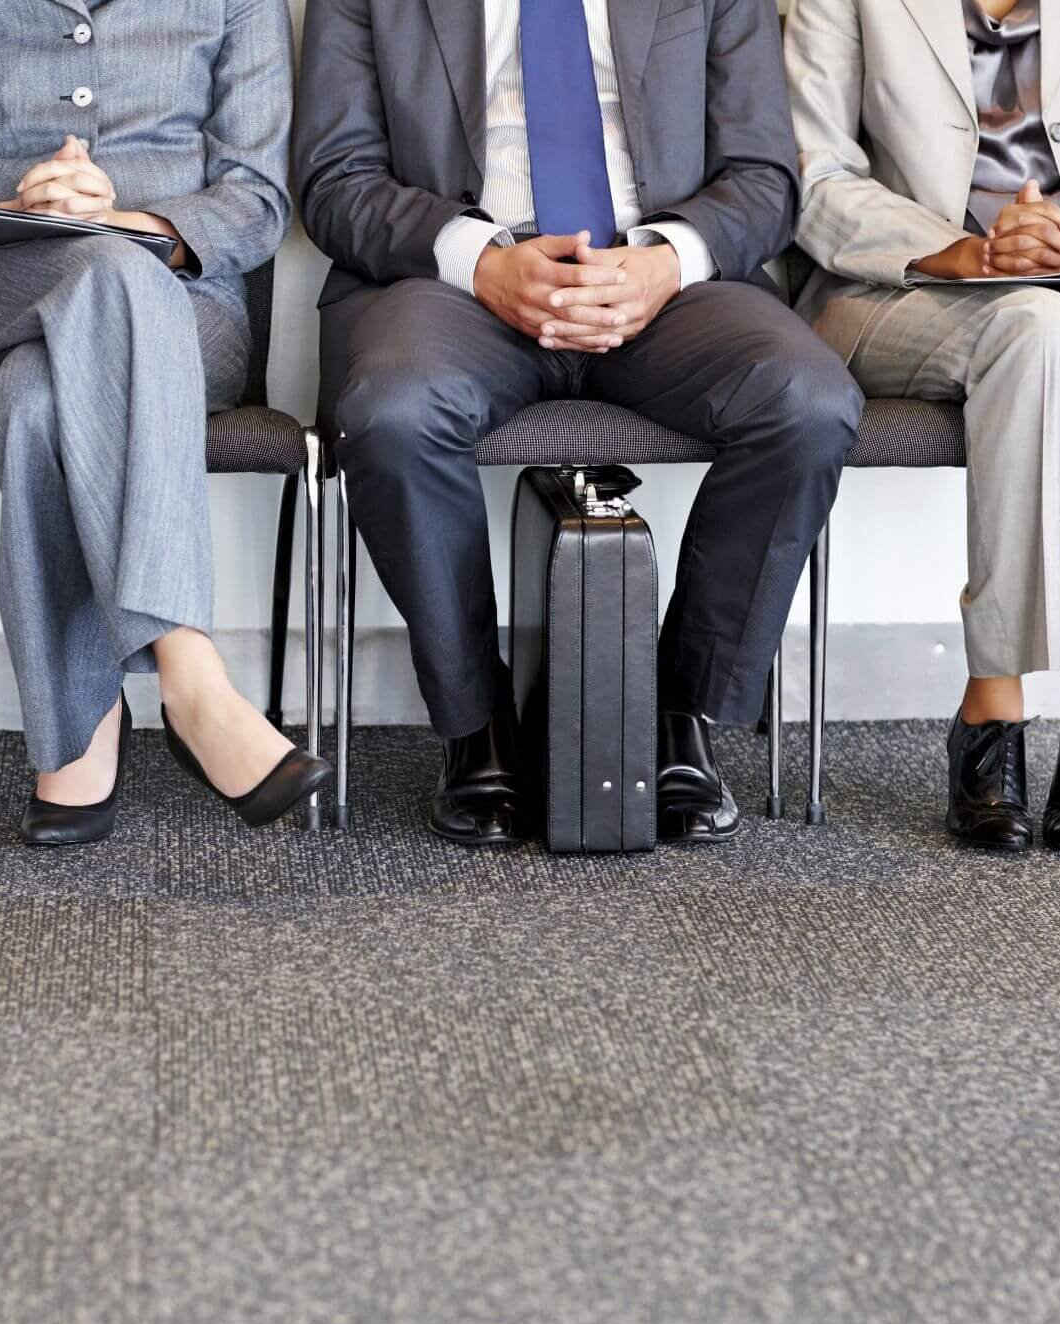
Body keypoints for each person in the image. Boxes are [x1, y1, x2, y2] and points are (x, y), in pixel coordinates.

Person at [295, 0, 862, 849]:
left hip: (662, 286)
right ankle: (476, 726)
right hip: (452, 285)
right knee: (395, 409)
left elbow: (764, 178)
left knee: (808, 402)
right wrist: (479, 263)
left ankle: (676, 709)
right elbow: (335, 181)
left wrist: (666, 261)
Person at [0, 0, 330, 845]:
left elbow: (259, 203)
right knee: (108, 278)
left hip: (186, 318)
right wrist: (23, 209)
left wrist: (117, 226)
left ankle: (74, 734)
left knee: (41, 397)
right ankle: (189, 674)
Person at [784, 0, 1060, 852]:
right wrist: (966, 251)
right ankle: (992, 703)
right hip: (901, 287)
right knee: (1037, 328)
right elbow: (815, 176)